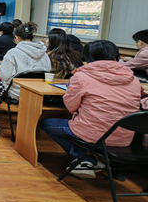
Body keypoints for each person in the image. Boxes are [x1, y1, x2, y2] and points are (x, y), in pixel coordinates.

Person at [41, 40, 143, 178]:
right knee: (86, 124)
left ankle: (84, 159)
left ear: (89, 57)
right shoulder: (134, 80)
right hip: (123, 138)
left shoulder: (81, 77)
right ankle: (91, 159)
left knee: (47, 124)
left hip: (92, 134)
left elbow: (71, 107)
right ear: (115, 56)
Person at [0, 22, 51, 115]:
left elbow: (3, 76)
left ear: (17, 37)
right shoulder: (44, 54)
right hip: (38, 92)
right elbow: (48, 72)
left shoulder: (13, 53)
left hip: (16, 93)